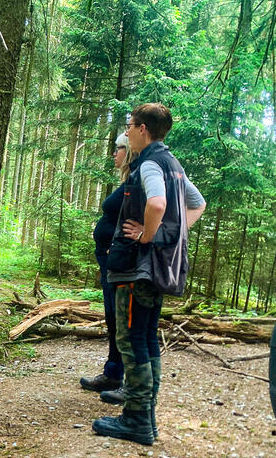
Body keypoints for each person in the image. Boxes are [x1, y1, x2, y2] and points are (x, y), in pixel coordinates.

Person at [92, 103, 206, 445]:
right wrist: (170, 235)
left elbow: (156, 204)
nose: (127, 131)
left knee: (131, 339)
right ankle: (146, 418)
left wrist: (148, 234)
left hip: (137, 269)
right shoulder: (173, 163)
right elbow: (197, 203)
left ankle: (136, 420)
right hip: (155, 268)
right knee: (146, 338)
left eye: (130, 125)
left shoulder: (152, 163)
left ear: (143, 129)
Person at [80, 133, 137, 401]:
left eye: (118, 149)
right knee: (113, 321)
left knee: (122, 321)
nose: (114, 154)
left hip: (122, 261)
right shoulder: (128, 179)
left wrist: (145, 232)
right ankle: (112, 373)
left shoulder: (143, 176)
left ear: (130, 151)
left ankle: (127, 381)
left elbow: (158, 209)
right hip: (109, 260)